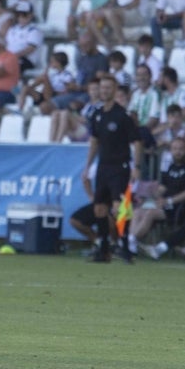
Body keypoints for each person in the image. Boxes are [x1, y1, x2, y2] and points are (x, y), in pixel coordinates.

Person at [82, 74, 143, 263]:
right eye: (102, 87)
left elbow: (137, 142)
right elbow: (94, 141)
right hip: (103, 167)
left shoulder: (123, 115)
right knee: (99, 209)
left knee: (120, 209)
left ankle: (125, 248)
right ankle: (104, 250)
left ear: (115, 90)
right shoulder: (97, 113)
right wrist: (88, 166)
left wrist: (137, 166)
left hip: (120, 166)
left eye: (108, 88)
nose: (105, 91)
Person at [129, 137, 185, 256]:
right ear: (170, 150)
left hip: (177, 206)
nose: (178, 151)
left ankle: (131, 241)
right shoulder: (171, 167)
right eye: (175, 148)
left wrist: (169, 200)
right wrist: (155, 195)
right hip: (163, 203)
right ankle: (131, 243)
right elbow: (164, 187)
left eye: (181, 149)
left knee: (150, 212)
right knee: (138, 210)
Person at [70, 161, 118, 256]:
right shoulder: (100, 165)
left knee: (112, 222)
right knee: (75, 221)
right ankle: (99, 243)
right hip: (101, 202)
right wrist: (91, 196)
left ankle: (116, 245)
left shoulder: (123, 165)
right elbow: (85, 177)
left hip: (117, 203)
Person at [49, 77, 101, 143]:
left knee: (65, 113)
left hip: (89, 134)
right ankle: (51, 142)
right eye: (91, 89)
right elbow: (81, 117)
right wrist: (76, 116)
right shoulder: (88, 104)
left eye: (95, 89)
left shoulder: (101, 105)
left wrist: (81, 119)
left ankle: (58, 142)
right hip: (79, 130)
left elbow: (94, 122)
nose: (93, 91)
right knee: (55, 113)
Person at [5, 0, 43, 74]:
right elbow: (6, 44)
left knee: (8, 67)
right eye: (18, 15)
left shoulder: (34, 30)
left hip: (26, 60)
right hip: (10, 58)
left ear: (31, 15)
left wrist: (13, 57)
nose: (21, 17)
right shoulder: (12, 29)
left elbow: (30, 49)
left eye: (24, 14)